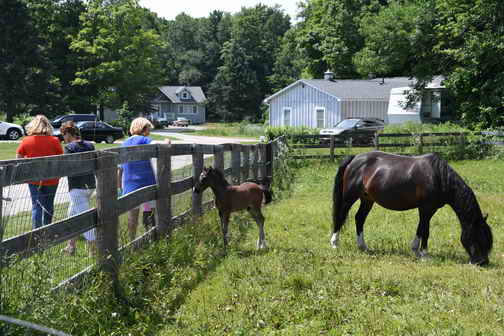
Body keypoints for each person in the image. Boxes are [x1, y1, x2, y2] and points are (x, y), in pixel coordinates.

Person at [16, 115, 64, 229]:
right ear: (48, 126)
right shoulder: (55, 141)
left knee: (36, 206)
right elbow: (61, 160)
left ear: (33, 126)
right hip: (52, 179)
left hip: (34, 179)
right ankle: (47, 232)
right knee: (48, 206)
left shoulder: (26, 141)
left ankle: (36, 234)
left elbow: (18, 158)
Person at [59, 121, 97, 256]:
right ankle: (70, 247)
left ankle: (94, 251)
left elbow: (65, 166)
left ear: (68, 134)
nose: (63, 138)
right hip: (90, 186)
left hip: (77, 188)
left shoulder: (69, 147)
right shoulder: (90, 145)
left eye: (63, 135)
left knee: (85, 220)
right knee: (71, 216)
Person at [118, 117, 157, 241]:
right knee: (149, 212)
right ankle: (151, 237)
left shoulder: (123, 144)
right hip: (146, 182)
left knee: (132, 216)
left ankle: (131, 242)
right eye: (148, 129)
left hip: (129, 185)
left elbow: (119, 169)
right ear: (143, 129)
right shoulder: (144, 139)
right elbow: (159, 146)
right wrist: (167, 141)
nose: (149, 132)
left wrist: (119, 188)